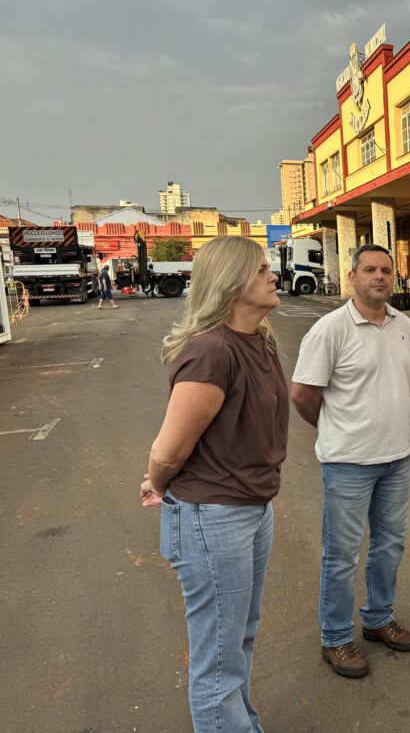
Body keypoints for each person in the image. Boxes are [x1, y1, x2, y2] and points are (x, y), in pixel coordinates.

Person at [139, 237, 287, 732]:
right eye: (260, 269)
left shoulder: (260, 340)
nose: (273, 274)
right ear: (231, 282)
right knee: (219, 656)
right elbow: (168, 451)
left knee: (238, 637)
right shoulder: (211, 351)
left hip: (251, 508)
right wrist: (157, 482)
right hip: (213, 517)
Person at [291, 244, 410, 679]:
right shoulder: (329, 330)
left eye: (386, 270)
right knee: (342, 555)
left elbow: (403, 382)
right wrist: (334, 429)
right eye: (369, 270)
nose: (379, 276)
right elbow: (303, 394)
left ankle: (379, 618)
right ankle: (335, 638)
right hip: (348, 464)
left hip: (397, 457)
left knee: (389, 545)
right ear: (352, 277)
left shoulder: (404, 325)